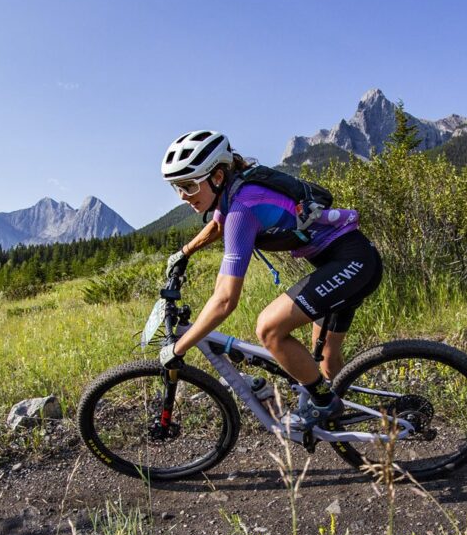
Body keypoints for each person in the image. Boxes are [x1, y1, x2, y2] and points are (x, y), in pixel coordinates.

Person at [157, 130, 383, 431]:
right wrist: (184, 253)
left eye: (188, 185)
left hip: (351, 262)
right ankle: (369, 424)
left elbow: (225, 300)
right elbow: (217, 224)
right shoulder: (236, 189)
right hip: (347, 260)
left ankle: (325, 405)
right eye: (177, 188)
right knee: (328, 364)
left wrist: (180, 347)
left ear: (218, 176)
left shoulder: (242, 209)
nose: (183, 196)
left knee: (270, 328)